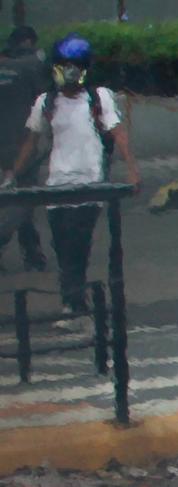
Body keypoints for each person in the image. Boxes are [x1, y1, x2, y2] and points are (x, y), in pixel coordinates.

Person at [5, 35, 138, 317]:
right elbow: (31, 141)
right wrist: (13, 174)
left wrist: (132, 171)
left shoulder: (98, 98)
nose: (70, 72)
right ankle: (73, 300)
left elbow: (118, 133)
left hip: (88, 186)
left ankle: (74, 303)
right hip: (57, 188)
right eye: (65, 65)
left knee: (78, 245)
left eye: (75, 66)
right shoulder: (46, 102)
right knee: (63, 247)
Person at [0, 23, 45, 271]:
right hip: (23, 143)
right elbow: (44, 100)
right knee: (25, 197)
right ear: (29, 42)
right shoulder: (32, 66)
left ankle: (31, 250)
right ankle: (30, 251)